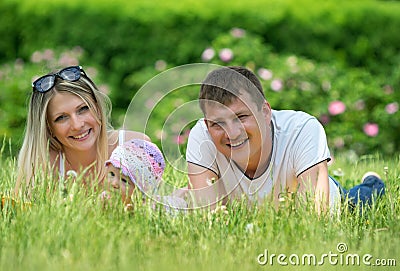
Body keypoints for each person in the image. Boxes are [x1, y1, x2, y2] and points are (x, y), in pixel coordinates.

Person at [186, 66, 385, 213]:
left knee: (356, 202)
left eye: (242, 117)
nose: (232, 132)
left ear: (265, 111)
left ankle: (373, 183)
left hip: (306, 189)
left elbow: (314, 218)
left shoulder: (302, 129)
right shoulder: (202, 136)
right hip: (258, 207)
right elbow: (208, 218)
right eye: (218, 123)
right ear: (206, 123)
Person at [15, 65, 149, 195]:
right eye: (61, 117)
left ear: (97, 107)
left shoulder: (134, 147)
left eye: (83, 109)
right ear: (49, 127)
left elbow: (155, 208)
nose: (77, 125)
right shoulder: (43, 165)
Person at [105, 138, 187, 211]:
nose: (114, 183)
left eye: (124, 180)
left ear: (140, 191)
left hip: (175, 205)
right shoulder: (106, 197)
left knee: (183, 197)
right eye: (112, 174)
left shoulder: (145, 207)